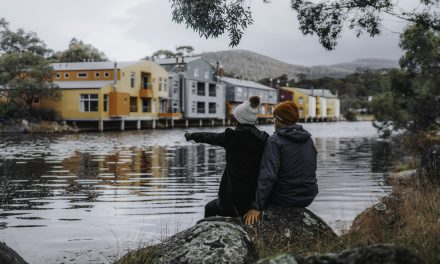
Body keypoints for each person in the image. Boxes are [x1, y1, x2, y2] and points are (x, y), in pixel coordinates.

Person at [185, 96, 269, 218]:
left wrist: (191, 135)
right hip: (253, 201)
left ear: (238, 119)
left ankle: (207, 230)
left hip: (231, 202)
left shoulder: (231, 137)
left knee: (209, 208)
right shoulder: (264, 139)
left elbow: (208, 136)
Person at [244, 101, 318, 224]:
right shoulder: (308, 139)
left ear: (280, 120)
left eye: (274, 118)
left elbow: (268, 175)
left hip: (286, 198)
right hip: (308, 196)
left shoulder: (275, 140)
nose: (273, 121)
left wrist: (256, 206)